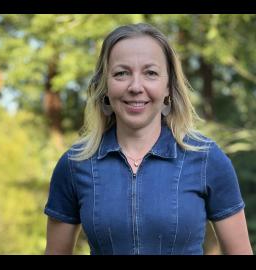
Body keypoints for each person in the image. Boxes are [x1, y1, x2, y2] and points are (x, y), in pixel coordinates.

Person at [44, 23, 253, 255]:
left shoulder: (206, 159)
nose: (135, 86)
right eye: (121, 73)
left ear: (168, 87)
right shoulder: (74, 164)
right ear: (105, 85)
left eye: (150, 73)